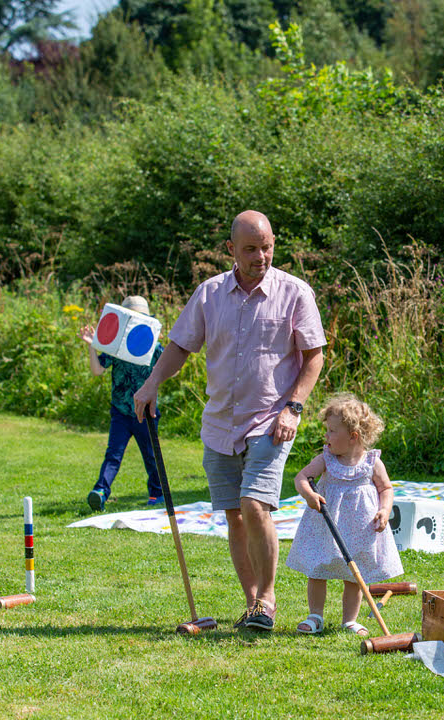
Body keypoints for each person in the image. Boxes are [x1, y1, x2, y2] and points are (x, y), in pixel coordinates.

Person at [133, 210, 326, 632]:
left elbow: (314, 356)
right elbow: (181, 346)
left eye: (268, 246)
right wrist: (150, 385)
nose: (262, 256)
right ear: (231, 250)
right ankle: (252, 602)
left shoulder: (295, 292)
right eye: (251, 249)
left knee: (255, 504)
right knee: (234, 514)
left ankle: (268, 599)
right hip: (220, 422)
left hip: (272, 420)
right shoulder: (209, 293)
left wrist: (294, 407)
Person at [286, 394, 402, 637]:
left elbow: (386, 488)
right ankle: (315, 615)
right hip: (327, 525)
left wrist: (385, 509)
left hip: (360, 528)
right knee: (318, 568)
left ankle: (349, 620)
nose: (325, 436)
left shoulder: (372, 462)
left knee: (355, 574)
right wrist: (309, 494)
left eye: (331, 431)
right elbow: (301, 478)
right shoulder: (326, 459)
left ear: (353, 437)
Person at [78, 295, 165, 512]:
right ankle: (100, 492)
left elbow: (171, 368)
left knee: (151, 455)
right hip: (120, 411)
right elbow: (98, 370)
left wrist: (158, 346)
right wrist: (92, 346)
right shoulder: (115, 346)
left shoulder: (154, 347)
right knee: (113, 455)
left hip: (146, 411)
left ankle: (157, 493)